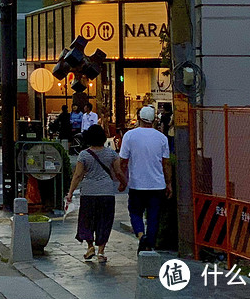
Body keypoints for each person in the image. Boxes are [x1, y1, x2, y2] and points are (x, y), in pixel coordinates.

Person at [66, 124, 127, 263]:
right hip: (106, 192)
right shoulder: (111, 154)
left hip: (88, 193)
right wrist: (124, 183)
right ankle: (101, 251)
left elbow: (78, 175)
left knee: (87, 220)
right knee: (104, 221)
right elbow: (118, 172)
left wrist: (70, 193)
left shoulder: (84, 154)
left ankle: (90, 247)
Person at [120, 106, 173, 251]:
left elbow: (123, 161)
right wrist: (169, 183)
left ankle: (140, 235)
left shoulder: (130, 136)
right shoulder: (162, 138)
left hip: (137, 184)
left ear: (139, 118)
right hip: (157, 184)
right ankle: (150, 243)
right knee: (153, 216)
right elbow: (166, 163)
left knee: (135, 212)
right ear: (154, 120)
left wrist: (122, 179)